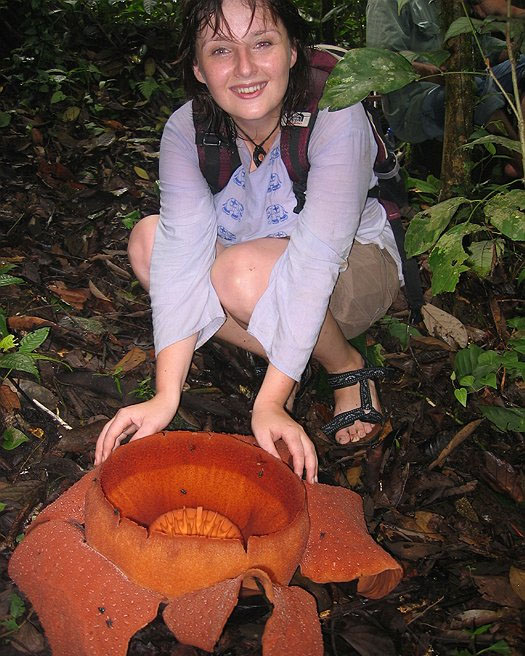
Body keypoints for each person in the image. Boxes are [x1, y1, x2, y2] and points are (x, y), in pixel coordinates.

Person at [94, 0, 402, 483]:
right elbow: (179, 252)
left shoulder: (335, 113)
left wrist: (270, 401)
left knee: (240, 276)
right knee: (149, 242)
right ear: (198, 69)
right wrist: (165, 396)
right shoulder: (188, 128)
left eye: (262, 43)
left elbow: (315, 261)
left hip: (349, 269)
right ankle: (292, 354)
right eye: (221, 51)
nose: (245, 68)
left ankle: (346, 365)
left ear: (293, 50)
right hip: (248, 261)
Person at [366, 0, 525, 149]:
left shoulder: (452, 4)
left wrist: (510, 12)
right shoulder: (387, 3)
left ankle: (519, 146)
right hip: (414, 104)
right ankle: (519, 162)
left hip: (468, 79)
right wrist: (440, 74)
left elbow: (485, 50)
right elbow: (381, 62)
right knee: (473, 89)